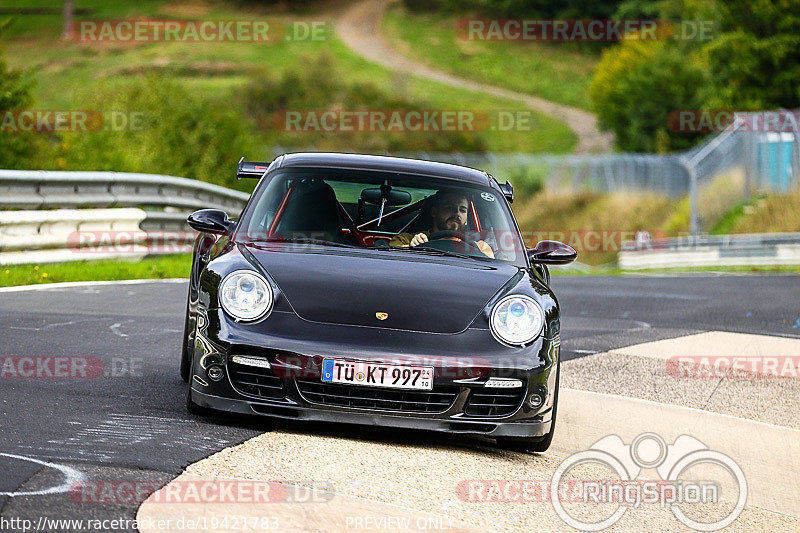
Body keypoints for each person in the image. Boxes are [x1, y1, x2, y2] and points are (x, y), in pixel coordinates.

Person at [389, 190, 494, 258]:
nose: (456, 214)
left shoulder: (479, 247)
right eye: (449, 208)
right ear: (434, 212)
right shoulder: (405, 240)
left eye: (462, 210)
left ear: (466, 220)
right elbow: (391, 260)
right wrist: (411, 247)